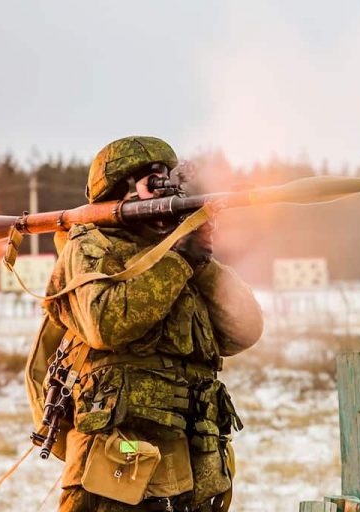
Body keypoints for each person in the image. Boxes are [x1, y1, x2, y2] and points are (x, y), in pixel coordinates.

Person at [42, 136, 264, 512]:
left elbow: (245, 329)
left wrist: (200, 261)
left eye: (167, 179)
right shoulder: (90, 247)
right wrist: (177, 260)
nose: (165, 190)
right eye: (152, 182)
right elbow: (106, 324)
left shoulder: (180, 254)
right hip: (119, 469)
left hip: (191, 467)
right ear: (119, 191)